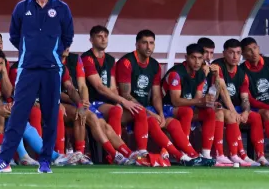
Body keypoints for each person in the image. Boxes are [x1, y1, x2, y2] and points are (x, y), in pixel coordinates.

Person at [0, 0, 74, 174]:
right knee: (18, 114)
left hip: (52, 70)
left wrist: (52, 53)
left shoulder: (62, 8)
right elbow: (14, 36)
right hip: (27, 69)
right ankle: (3, 161)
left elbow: (68, 37)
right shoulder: (21, 7)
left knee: (50, 116)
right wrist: (31, 51)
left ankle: (45, 161)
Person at [116, 30, 213, 166]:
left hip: (148, 108)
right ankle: (179, 156)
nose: (148, 47)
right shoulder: (127, 62)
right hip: (126, 107)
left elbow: (156, 95)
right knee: (149, 118)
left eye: (151, 43)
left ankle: (192, 155)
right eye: (144, 43)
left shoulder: (155, 65)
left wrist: (160, 113)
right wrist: (151, 112)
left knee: (172, 123)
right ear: (137, 45)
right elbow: (125, 94)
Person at [0, 47, 75, 166]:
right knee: (15, 116)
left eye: (1, 64)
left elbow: (7, 92)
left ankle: (50, 155)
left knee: (20, 119)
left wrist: (4, 72)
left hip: (1, 108)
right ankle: (17, 156)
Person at [61, 47, 138, 165]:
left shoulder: (75, 59)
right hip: (62, 102)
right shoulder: (50, 62)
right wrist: (79, 103)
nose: (67, 47)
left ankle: (127, 154)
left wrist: (84, 101)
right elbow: (54, 91)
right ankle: (114, 154)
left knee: (104, 125)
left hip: (78, 101)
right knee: (88, 116)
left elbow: (82, 86)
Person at [80, 26, 144, 148]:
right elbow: (99, 86)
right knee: (117, 109)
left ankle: (142, 151)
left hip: (107, 103)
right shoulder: (86, 58)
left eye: (105, 36)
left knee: (138, 111)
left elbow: (113, 87)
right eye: (99, 36)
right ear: (91, 40)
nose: (103, 39)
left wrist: (118, 102)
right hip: (91, 102)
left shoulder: (110, 59)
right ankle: (117, 151)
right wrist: (123, 101)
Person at [209, 39, 268, 166]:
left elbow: (245, 98)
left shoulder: (242, 73)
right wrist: (234, 111)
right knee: (232, 115)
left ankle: (260, 156)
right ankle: (237, 154)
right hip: (217, 106)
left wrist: (246, 111)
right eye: (231, 52)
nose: (235, 56)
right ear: (224, 53)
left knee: (255, 116)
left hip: (234, 107)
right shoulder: (217, 66)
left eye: (238, 53)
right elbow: (223, 90)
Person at [161, 43, 217, 160]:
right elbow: (175, 101)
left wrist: (208, 102)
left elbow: (197, 100)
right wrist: (200, 100)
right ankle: (184, 151)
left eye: (200, 58)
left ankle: (206, 154)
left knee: (210, 112)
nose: (197, 62)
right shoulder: (176, 74)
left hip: (185, 109)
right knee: (187, 111)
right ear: (186, 58)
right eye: (193, 58)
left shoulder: (201, 74)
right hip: (165, 108)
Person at [240, 37, 269, 144]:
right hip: (256, 108)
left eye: (255, 48)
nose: (253, 52)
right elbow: (249, 98)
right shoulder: (242, 70)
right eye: (249, 50)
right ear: (243, 54)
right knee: (267, 113)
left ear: (259, 48)